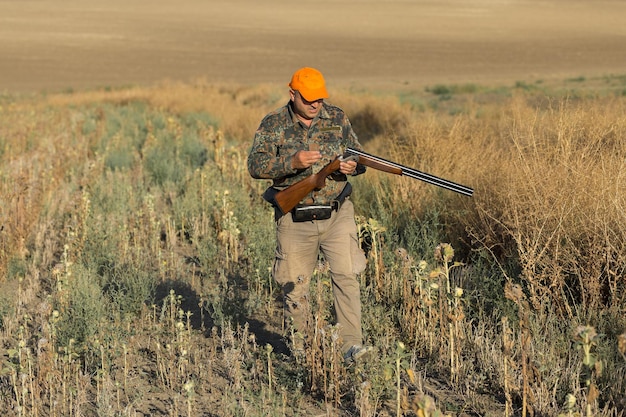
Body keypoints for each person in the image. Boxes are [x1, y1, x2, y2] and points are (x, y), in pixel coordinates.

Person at [247, 67, 372, 364]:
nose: (316, 104)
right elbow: (255, 166)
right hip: (295, 219)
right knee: (294, 285)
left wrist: (353, 166)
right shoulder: (274, 123)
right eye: (309, 99)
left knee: (346, 276)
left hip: (337, 214)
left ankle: (351, 346)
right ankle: (303, 349)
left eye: (320, 98)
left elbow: (359, 156)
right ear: (292, 94)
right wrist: (292, 162)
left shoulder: (337, 117)